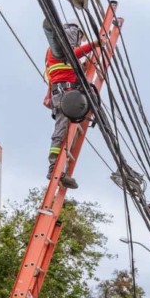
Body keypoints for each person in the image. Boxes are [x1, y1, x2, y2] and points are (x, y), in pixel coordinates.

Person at [42, 19, 103, 190]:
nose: (80, 41)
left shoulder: (68, 58)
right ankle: (53, 168)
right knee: (61, 131)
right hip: (64, 95)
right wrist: (95, 44)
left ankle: (64, 170)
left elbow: (56, 74)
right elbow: (73, 53)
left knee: (72, 136)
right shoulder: (57, 50)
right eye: (80, 38)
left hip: (68, 95)